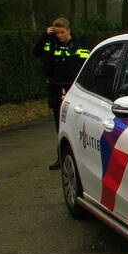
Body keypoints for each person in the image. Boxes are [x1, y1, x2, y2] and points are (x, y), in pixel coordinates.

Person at [33, 17, 89, 170]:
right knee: (60, 123)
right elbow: (36, 52)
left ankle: (79, 156)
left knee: (76, 122)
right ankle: (61, 156)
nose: (59, 35)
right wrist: (45, 35)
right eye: (57, 33)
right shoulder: (50, 43)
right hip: (55, 88)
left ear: (68, 30)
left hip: (73, 88)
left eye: (62, 32)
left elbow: (84, 65)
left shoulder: (78, 44)